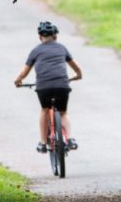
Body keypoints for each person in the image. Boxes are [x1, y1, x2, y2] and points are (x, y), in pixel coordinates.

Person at [15, 21, 83, 153]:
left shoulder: (35, 51)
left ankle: (43, 142)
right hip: (62, 85)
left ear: (40, 37)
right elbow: (76, 67)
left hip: (43, 87)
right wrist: (78, 75)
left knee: (45, 110)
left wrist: (18, 80)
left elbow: (25, 71)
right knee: (63, 113)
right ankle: (69, 139)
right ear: (56, 36)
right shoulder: (62, 48)